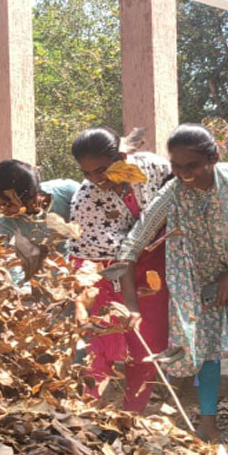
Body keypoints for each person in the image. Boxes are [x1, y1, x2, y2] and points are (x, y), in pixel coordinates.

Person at [116, 126, 228, 445]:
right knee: (206, 349)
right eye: (177, 166)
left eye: (193, 165)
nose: (185, 174)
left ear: (213, 158)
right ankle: (207, 423)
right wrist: (131, 305)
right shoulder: (173, 193)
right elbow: (133, 244)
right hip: (197, 281)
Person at [68, 128, 173, 412]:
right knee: (103, 341)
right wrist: (129, 305)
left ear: (123, 158)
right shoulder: (86, 199)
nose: (95, 180)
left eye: (101, 170)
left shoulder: (153, 168)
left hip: (154, 266)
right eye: (87, 173)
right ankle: (86, 414)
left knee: (147, 343)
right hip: (107, 269)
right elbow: (119, 258)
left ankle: (132, 414)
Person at [0, 158, 78, 250]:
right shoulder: (3, 223)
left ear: (29, 196)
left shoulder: (69, 193)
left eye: (7, 204)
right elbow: (3, 253)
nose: (4, 211)